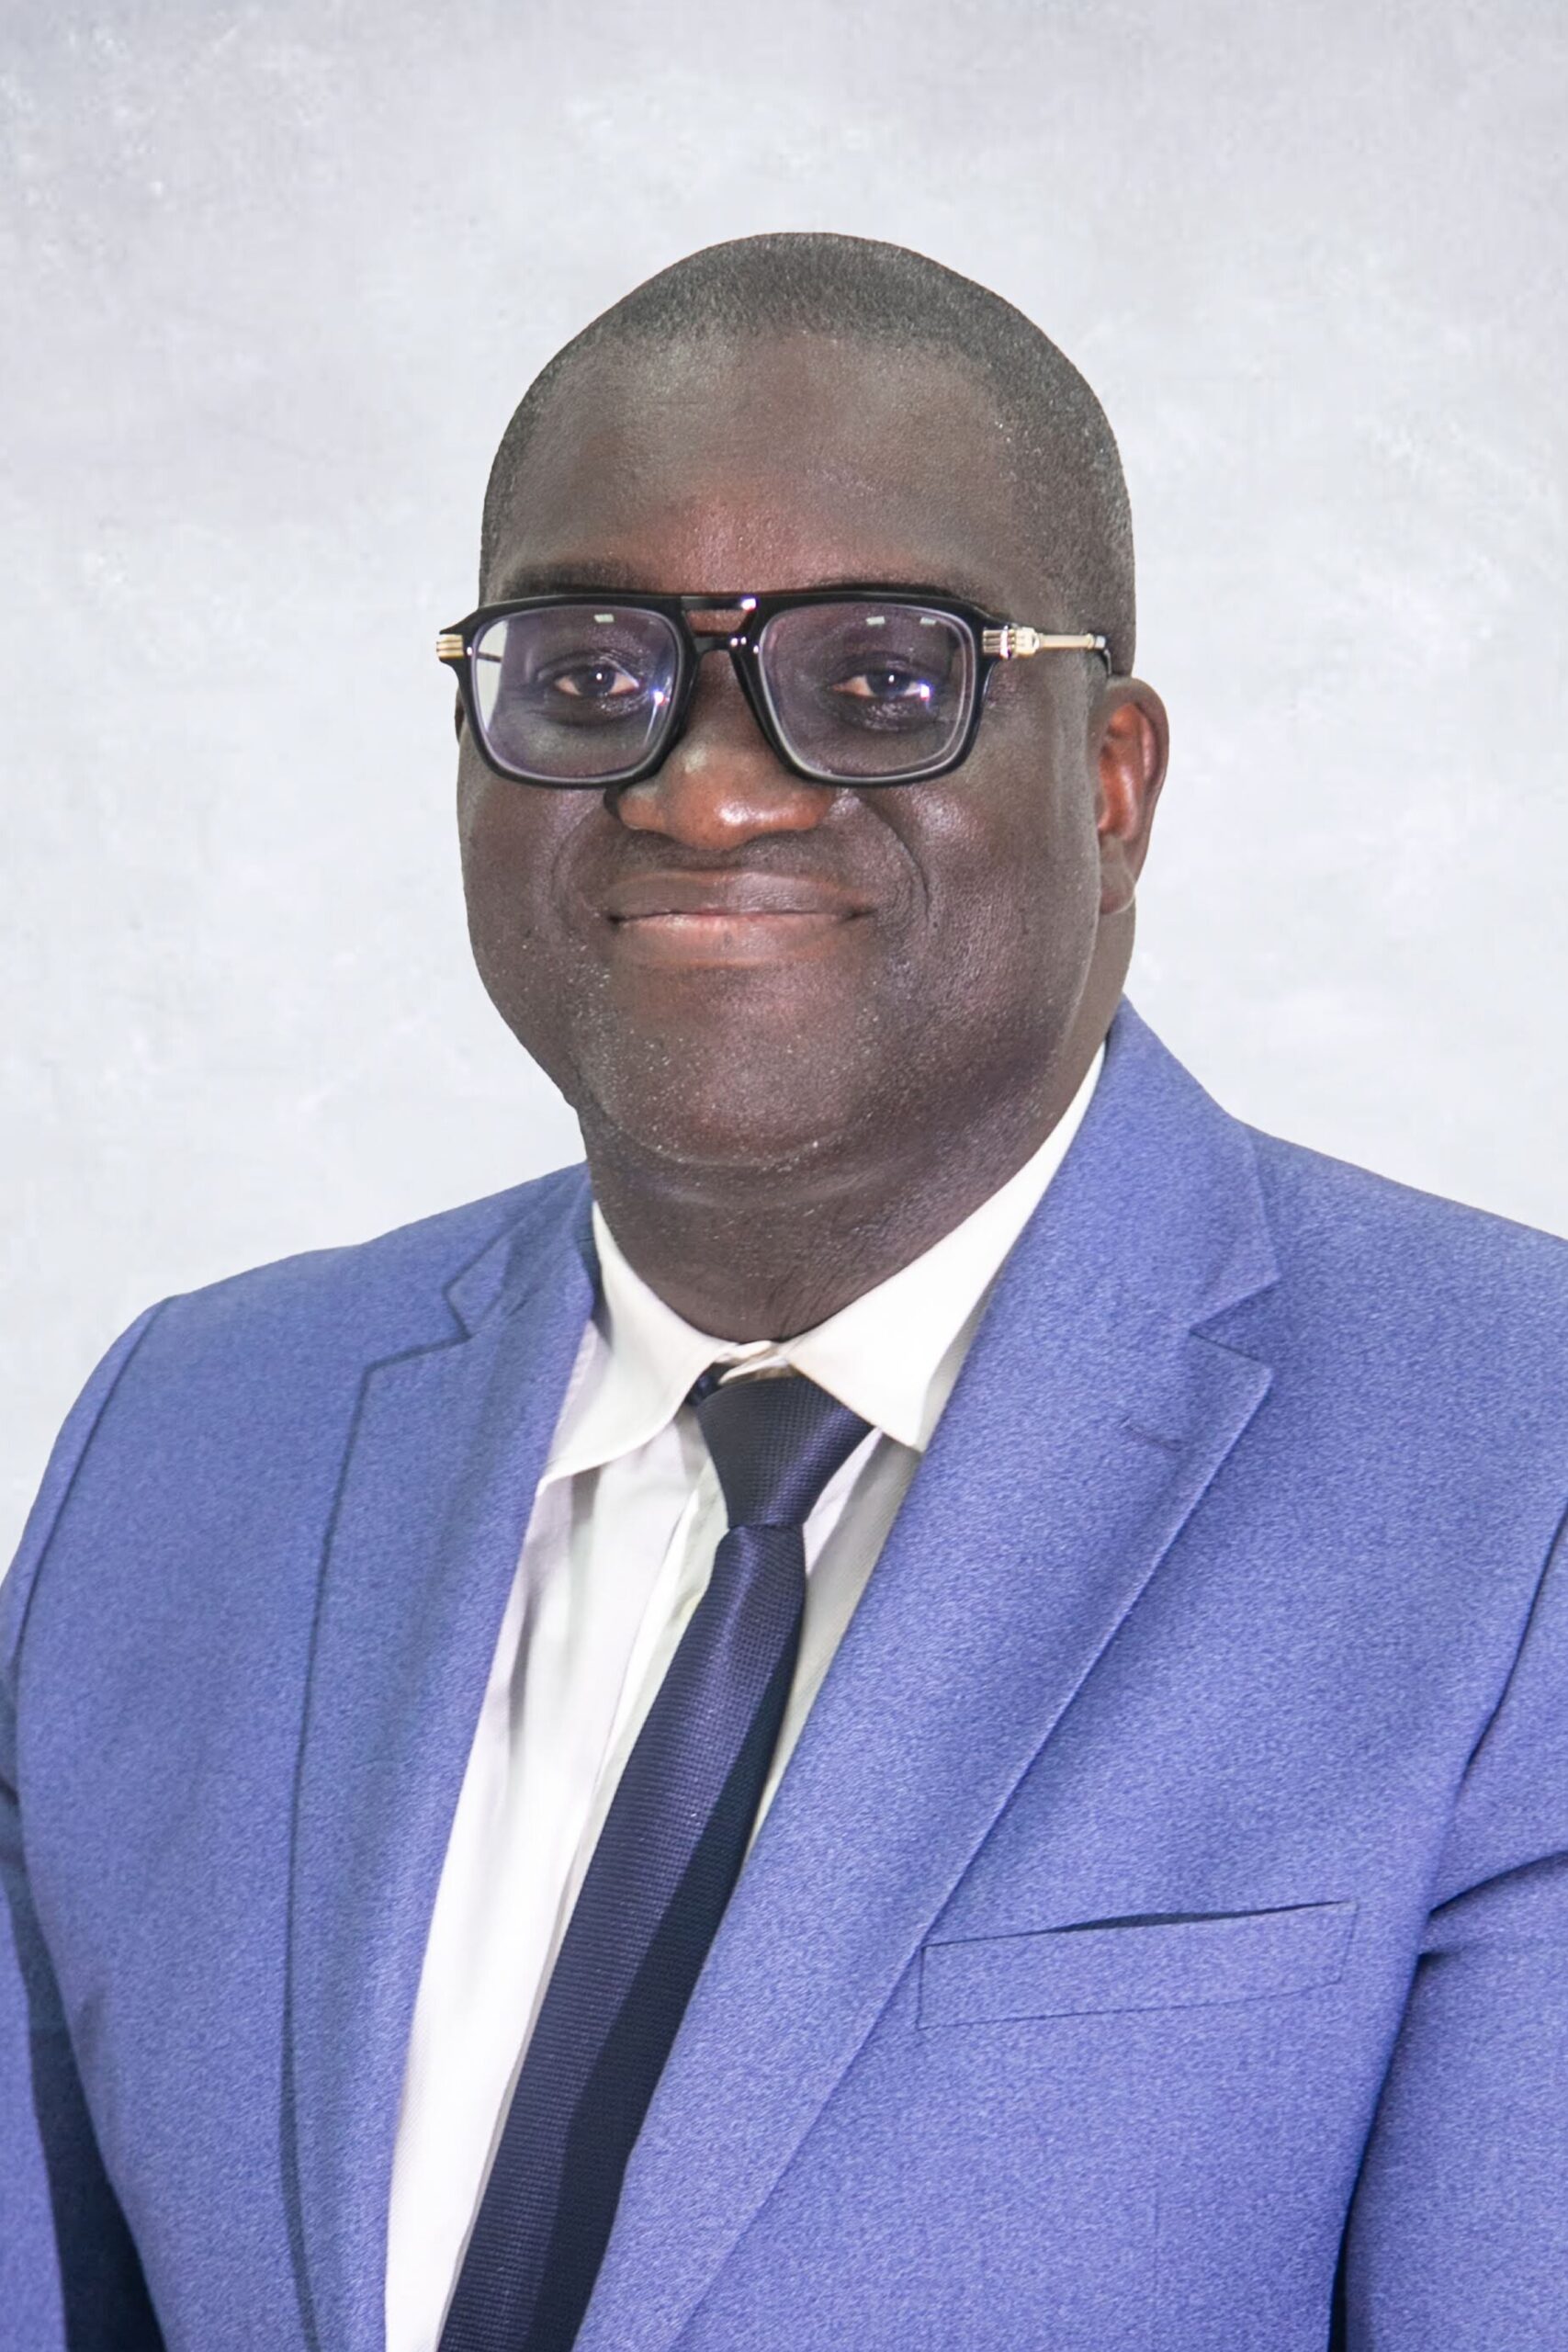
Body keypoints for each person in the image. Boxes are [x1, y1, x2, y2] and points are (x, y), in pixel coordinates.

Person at [3, 232, 1565, 2352]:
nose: (705, 787)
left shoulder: (1512, 1474)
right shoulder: (183, 1444)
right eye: (588, 674)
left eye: (877, 680)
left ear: (1108, 781)